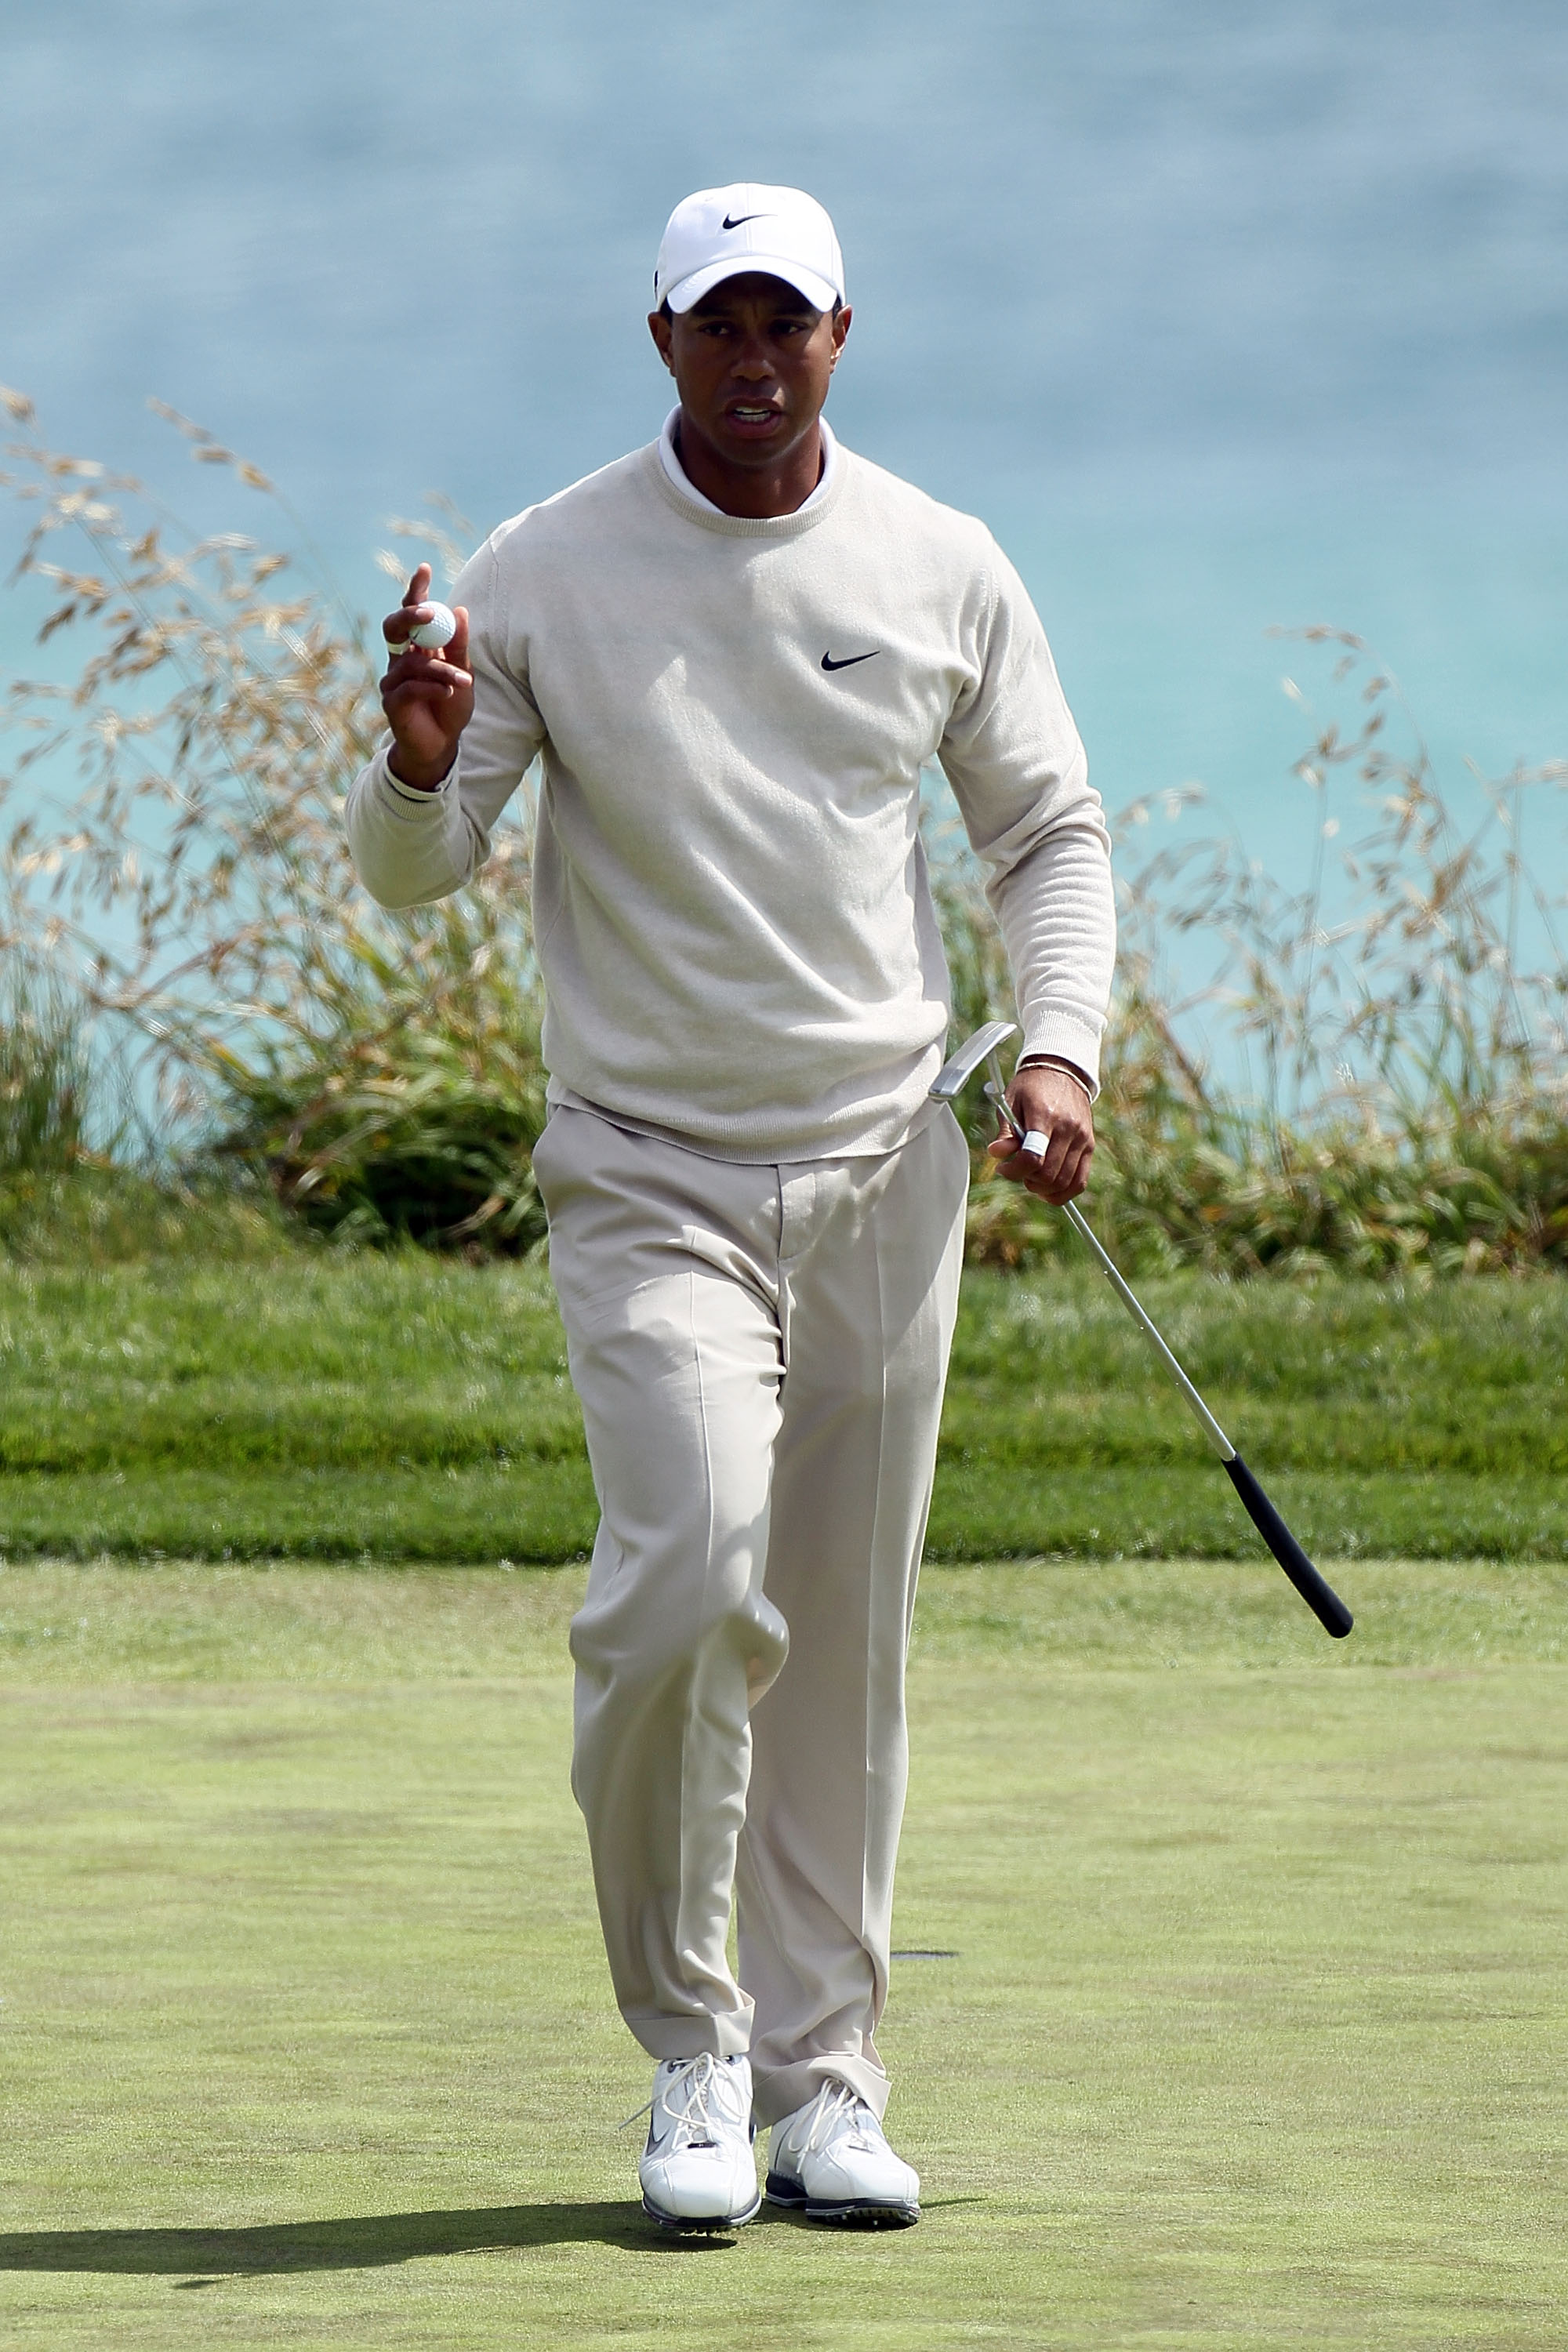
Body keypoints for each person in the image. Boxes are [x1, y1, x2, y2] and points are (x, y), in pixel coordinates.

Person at [345, 183, 1115, 2233]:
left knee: (844, 1649)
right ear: (663, 339)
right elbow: (418, 872)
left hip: (885, 1176)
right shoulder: (550, 568)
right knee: (688, 1582)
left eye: (792, 323)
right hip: (652, 1176)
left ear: (844, 335)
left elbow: (1046, 826)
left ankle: (824, 2078)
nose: (758, 358)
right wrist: (421, 770)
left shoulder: (937, 561)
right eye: (721, 324)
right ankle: (693, 2048)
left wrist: (1059, 1049)